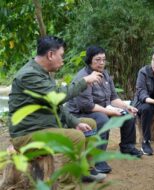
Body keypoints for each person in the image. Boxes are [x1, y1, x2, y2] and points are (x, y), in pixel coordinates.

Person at [8, 36, 105, 189]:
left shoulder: (42, 73)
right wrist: (84, 81)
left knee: (90, 124)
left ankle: (85, 170)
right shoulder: (29, 75)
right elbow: (57, 97)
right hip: (26, 135)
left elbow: (57, 107)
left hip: (43, 127)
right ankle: (68, 186)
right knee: (75, 137)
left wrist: (75, 122)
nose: (63, 60)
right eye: (62, 55)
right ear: (51, 55)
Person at [67, 45, 143, 174]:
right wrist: (111, 112)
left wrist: (126, 106)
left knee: (128, 114)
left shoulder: (105, 74)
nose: (101, 63)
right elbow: (87, 106)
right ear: (89, 60)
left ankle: (127, 146)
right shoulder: (84, 77)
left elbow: (113, 97)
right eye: (97, 59)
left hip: (101, 108)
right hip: (81, 113)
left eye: (103, 59)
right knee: (102, 119)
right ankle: (98, 158)